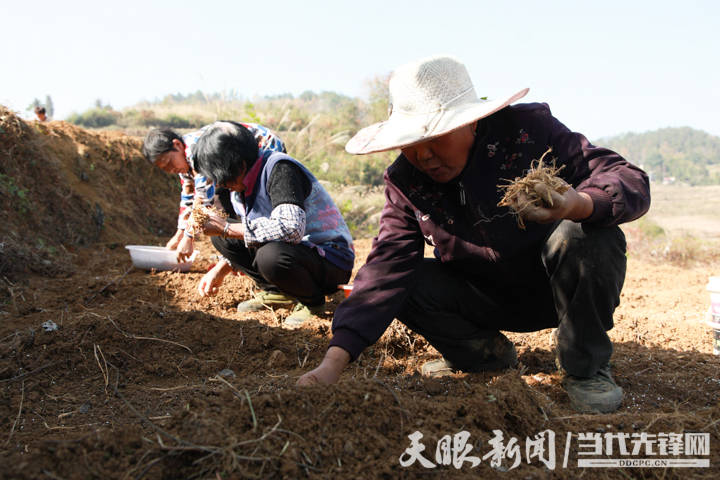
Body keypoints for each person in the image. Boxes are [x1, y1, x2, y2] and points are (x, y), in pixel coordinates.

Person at [297, 55, 650, 414]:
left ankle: (585, 366)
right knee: (405, 282)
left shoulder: (529, 132)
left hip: (555, 289)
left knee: (588, 235)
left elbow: (626, 177)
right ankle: (483, 355)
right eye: (411, 142)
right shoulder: (405, 181)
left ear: (471, 123)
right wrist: (332, 365)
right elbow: (387, 266)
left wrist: (578, 204)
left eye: (434, 137)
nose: (423, 155)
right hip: (481, 299)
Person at [190, 121, 355, 327]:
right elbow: (255, 232)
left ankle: (312, 303)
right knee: (224, 240)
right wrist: (220, 269)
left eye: (222, 178)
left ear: (239, 164)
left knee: (269, 256)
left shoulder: (280, 169)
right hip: (296, 254)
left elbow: (290, 229)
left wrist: (227, 227)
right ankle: (279, 293)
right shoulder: (240, 185)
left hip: (330, 260)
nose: (220, 185)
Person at [142, 122, 285, 262]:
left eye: (169, 163)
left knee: (254, 199)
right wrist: (179, 234)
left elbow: (203, 200)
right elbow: (188, 198)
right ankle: (239, 252)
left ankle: (266, 247)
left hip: (263, 146)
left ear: (177, 145)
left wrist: (188, 238)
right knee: (220, 200)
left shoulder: (195, 151)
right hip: (233, 161)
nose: (171, 170)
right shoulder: (183, 161)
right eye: (165, 169)